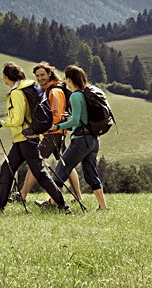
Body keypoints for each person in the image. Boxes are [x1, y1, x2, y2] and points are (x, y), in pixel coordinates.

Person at [0, 62, 71, 214]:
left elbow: (18, 119)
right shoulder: (27, 87)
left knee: (40, 174)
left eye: (4, 77)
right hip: (23, 139)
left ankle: (63, 205)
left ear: (6, 77)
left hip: (26, 139)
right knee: (7, 169)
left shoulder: (16, 93)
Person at [42, 65, 108, 211]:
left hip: (80, 140)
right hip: (93, 140)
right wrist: (71, 118)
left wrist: (57, 126)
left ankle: (52, 203)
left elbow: (76, 121)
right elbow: (81, 119)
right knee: (91, 173)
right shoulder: (86, 94)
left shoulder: (75, 96)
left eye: (66, 78)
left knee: (61, 169)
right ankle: (103, 206)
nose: (65, 81)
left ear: (70, 79)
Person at [14, 62, 82, 203]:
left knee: (35, 162)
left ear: (49, 74)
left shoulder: (54, 91)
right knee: (65, 163)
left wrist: (44, 127)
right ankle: (78, 197)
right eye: (37, 76)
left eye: (43, 75)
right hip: (58, 133)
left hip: (53, 133)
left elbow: (56, 115)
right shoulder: (50, 89)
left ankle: (23, 195)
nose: (40, 78)